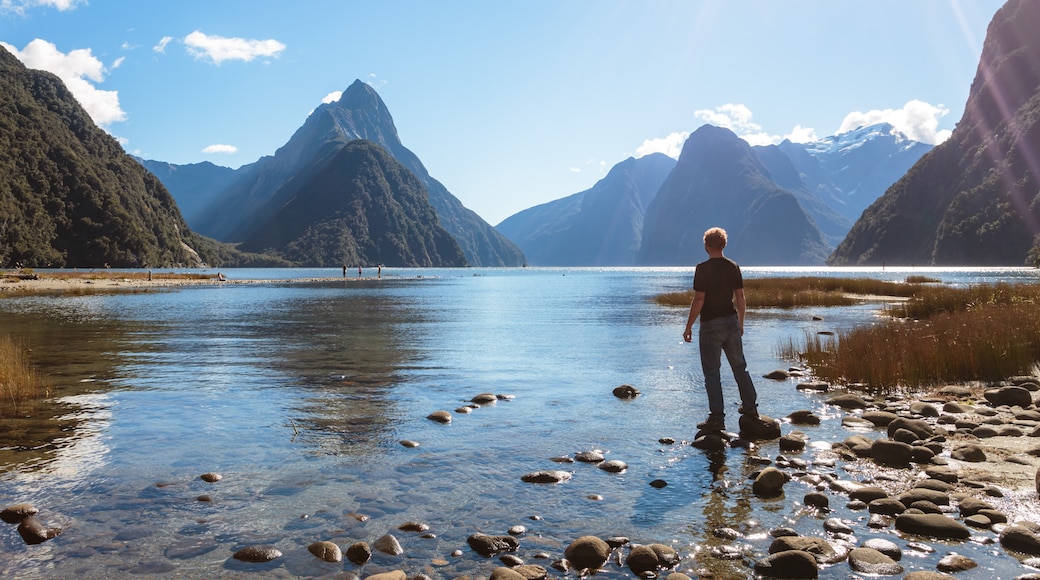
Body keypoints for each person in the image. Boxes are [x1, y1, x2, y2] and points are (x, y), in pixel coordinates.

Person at [682, 227, 759, 432]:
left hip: (710, 326)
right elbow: (740, 297)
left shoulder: (702, 268)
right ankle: (751, 408)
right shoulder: (733, 266)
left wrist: (688, 326)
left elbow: (699, 299)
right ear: (724, 245)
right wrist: (740, 322)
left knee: (712, 373)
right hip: (731, 322)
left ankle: (717, 418)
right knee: (740, 368)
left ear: (706, 246)